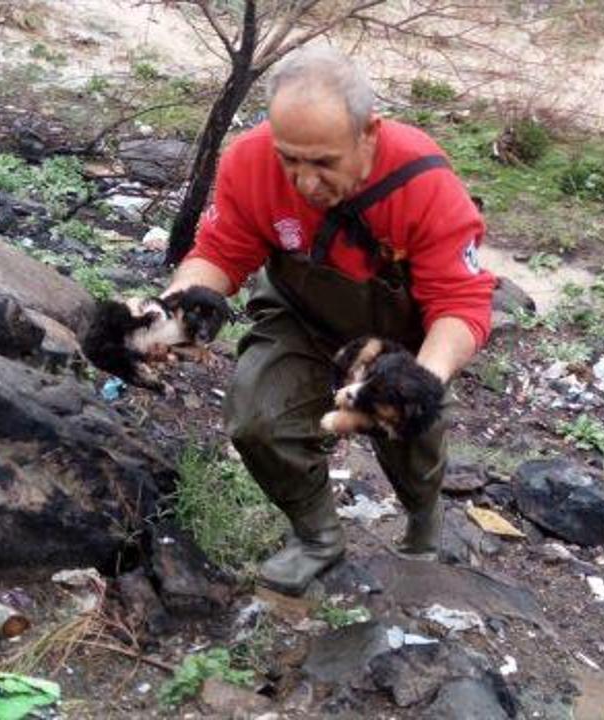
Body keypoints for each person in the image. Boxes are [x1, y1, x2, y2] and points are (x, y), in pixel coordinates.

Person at [158, 45, 495, 595]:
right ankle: (317, 536)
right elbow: (219, 252)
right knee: (255, 419)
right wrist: (175, 306)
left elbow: (461, 303)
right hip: (301, 315)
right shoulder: (249, 162)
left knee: (410, 432)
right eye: (290, 158)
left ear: (369, 133)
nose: (304, 182)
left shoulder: (424, 183)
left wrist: (423, 377)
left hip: (398, 337)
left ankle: (422, 510)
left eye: (323, 163)